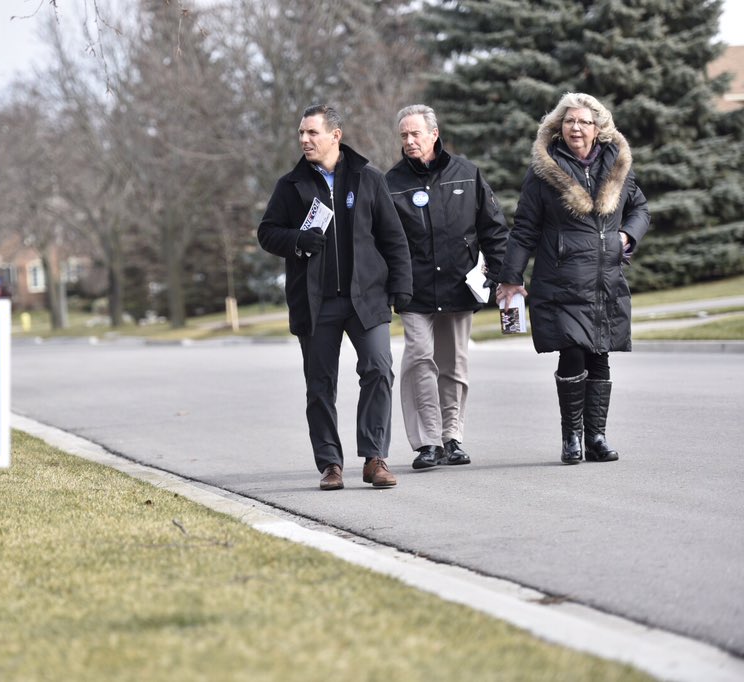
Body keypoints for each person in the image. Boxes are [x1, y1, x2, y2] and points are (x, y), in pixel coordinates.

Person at [257, 104, 413, 490]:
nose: (304, 140)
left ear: (335, 135)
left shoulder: (368, 178)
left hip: (367, 300)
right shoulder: (290, 185)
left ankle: (375, 457)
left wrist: (402, 287)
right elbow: (267, 232)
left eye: (312, 133)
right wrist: (296, 240)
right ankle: (330, 464)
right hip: (316, 303)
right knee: (320, 384)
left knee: (379, 369)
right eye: (301, 134)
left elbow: (393, 238)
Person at [496, 92, 649, 465]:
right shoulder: (544, 170)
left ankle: (596, 436)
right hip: (561, 278)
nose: (575, 127)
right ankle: (573, 438)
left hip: (605, 279)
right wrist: (511, 278)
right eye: (568, 121)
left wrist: (627, 235)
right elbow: (525, 228)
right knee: (573, 351)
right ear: (558, 128)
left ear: (597, 128)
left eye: (583, 122)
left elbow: (640, 207)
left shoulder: (617, 164)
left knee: (599, 354)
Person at [386, 105, 510, 470]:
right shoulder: (391, 183)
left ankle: (451, 438)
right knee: (420, 359)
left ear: (433, 134)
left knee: (453, 365)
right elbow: (381, 241)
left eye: (415, 134)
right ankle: (427, 443)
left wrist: (503, 278)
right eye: (404, 136)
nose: (409, 141)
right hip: (414, 291)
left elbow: (493, 229)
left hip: (458, 286)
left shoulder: (467, 174)